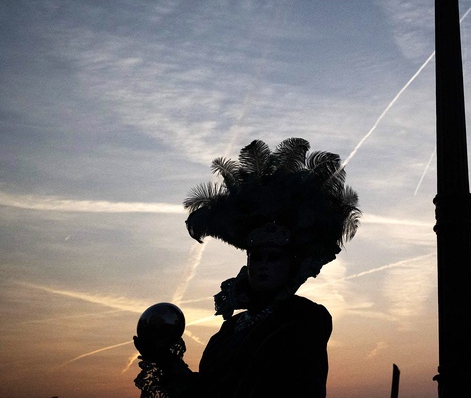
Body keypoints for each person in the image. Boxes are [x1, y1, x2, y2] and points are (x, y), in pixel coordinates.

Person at [134, 138, 360, 398]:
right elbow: (208, 390)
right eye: (256, 257)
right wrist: (165, 361)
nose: (262, 265)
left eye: (273, 258)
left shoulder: (304, 318)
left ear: (291, 265)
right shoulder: (230, 329)